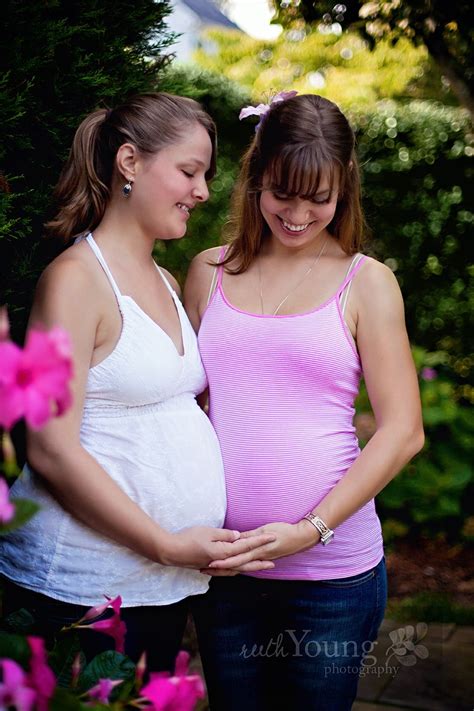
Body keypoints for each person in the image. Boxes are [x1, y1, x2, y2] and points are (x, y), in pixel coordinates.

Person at [0, 92, 275, 672]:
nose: (202, 191)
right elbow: (50, 447)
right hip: (81, 589)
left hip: (161, 586)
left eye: (205, 175)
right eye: (188, 171)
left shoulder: (167, 281)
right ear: (129, 162)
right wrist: (166, 542)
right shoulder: (74, 282)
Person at [185, 93, 424, 710]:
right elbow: (190, 410)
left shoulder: (367, 281)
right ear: (255, 178)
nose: (297, 215)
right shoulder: (207, 271)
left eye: (318, 198)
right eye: (281, 194)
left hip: (331, 577)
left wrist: (308, 531)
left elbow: (402, 431)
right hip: (225, 568)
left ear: (344, 188)